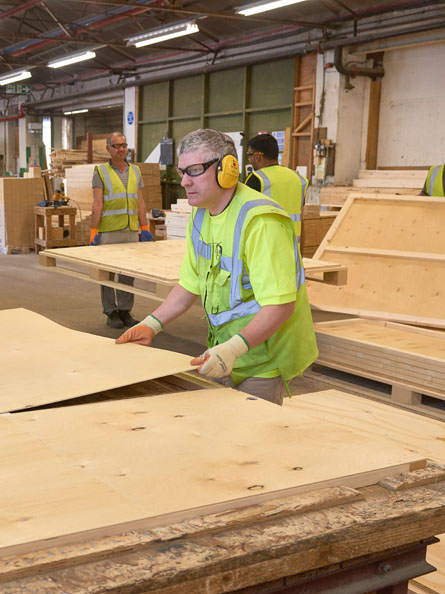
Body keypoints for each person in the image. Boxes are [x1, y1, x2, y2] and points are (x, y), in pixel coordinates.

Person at [116, 129, 317, 405]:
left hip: (264, 356)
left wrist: (234, 349)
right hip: (224, 348)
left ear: (228, 169)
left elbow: (280, 305)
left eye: (195, 170)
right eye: (182, 171)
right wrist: (151, 324)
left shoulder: (260, 221)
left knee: (251, 430)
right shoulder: (201, 215)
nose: (184, 181)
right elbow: (189, 285)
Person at [91, 132, 147, 329]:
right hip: (108, 231)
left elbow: (140, 201)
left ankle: (124, 310)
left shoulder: (136, 171)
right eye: (116, 146)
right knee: (107, 274)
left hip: (130, 230)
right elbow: (97, 203)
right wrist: (93, 230)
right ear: (108, 149)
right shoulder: (100, 171)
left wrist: (144, 226)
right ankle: (111, 311)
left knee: (127, 273)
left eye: (124, 145)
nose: (121, 149)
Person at [243, 133, 308, 238]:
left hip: (268, 245)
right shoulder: (299, 179)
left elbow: (245, 219)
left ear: (257, 156)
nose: (249, 160)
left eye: (249, 155)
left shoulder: (256, 179)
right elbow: (301, 221)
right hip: (294, 246)